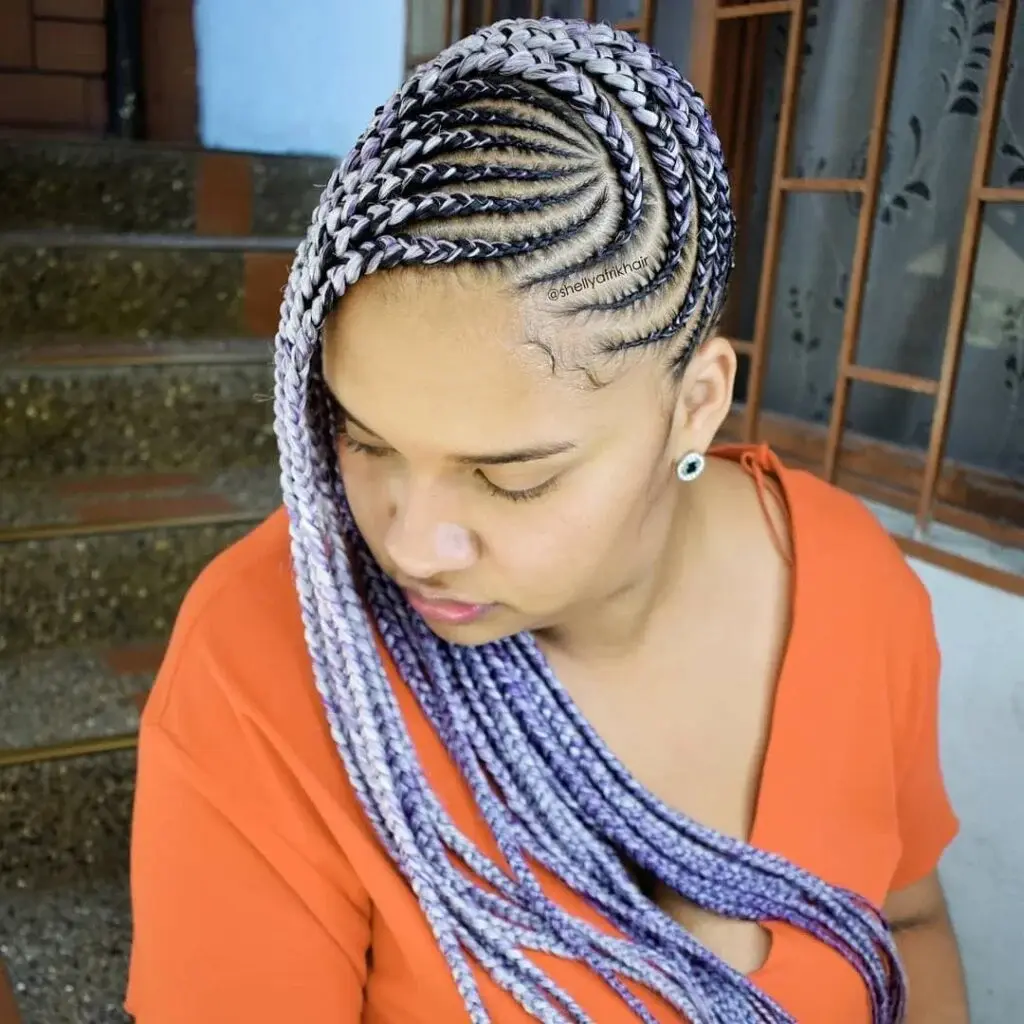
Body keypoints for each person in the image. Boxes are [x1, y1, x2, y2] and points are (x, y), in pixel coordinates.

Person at [125, 16, 969, 1024]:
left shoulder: (852, 582)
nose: (409, 542)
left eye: (510, 476)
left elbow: (906, 922)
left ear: (694, 403)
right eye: (363, 438)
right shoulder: (264, 661)